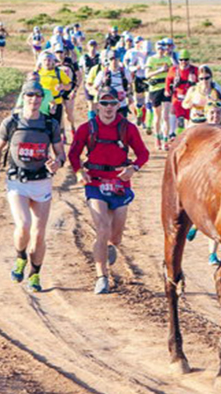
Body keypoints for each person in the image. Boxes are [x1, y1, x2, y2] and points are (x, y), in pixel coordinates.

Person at [68, 86, 149, 294]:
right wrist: (79, 172)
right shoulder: (87, 128)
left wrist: (133, 168)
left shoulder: (127, 128)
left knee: (116, 236)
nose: (109, 108)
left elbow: (143, 154)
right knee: (102, 229)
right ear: (97, 106)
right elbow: (74, 154)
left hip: (120, 185)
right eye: (104, 103)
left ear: (118, 105)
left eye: (113, 103)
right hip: (95, 183)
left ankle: (109, 246)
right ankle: (101, 277)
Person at [0, 79, 67, 293]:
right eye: (30, 96)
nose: (33, 100)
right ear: (23, 98)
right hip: (17, 182)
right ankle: (20, 257)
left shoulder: (50, 124)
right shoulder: (11, 122)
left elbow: (61, 153)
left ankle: (34, 274)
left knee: (39, 234)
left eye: (38, 97)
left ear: (42, 100)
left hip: (41, 182)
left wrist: (57, 162)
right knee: (23, 225)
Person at [185, 100, 221, 266]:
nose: (215, 116)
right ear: (206, 115)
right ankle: (195, 223)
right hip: (203, 176)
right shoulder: (200, 132)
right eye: (212, 113)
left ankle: (213, 254)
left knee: (219, 218)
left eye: (218, 113)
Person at [37, 51, 72, 140]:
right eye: (45, 60)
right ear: (41, 61)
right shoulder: (38, 73)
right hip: (42, 104)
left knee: (55, 127)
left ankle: (56, 147)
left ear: (53, 61)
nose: (47, 62)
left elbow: (69, 86)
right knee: (41, 128)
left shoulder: (58, 72)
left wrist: (62, 86)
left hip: (56, 103)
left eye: (49, 60)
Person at [145, 41, 172, 150]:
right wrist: (160, 70)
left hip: (165, 88)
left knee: (166, 115)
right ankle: (157, 138)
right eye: (159, 48)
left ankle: (166, 139)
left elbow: (172, 71)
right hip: (155, 88)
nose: (161, 50)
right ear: (156, 49)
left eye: (162, 48)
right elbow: (147, 75)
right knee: (157, 115)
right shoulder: (151, 59)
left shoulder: (167, 59)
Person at [164, 50, 198, 137]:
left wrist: (194, 82)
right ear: (178, 60)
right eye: (181, 60)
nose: (183, 62)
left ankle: (187, 134)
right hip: (177, 95)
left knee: (188, 116)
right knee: (175, 113)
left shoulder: (194, 70)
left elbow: (200, 83)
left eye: (186, 60)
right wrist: (167, 90)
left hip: (190, 96)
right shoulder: (174, 70)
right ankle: (172, 133)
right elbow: (168, 79)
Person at [54, 43, 82, 142]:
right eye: (57, 52)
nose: (59, 54)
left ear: (65, 52)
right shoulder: (53, 63)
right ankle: (63, 134)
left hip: (69, 91)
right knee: (60, 113)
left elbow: (79, 77)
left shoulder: (70, 62)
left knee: (69, 113)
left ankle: (73, 128)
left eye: (61, 52)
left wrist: (75, 90)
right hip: (57, 91)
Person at [93, 50, 133, 118]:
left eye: (116, 59)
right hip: (108, 106)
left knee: (122, 125)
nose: (114, 61)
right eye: (112, 59)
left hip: (121, 104)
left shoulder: (125, 72)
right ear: (108, 60)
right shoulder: (103, 73)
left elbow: (130, 84)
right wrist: (102, 95)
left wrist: (128, 94)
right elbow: (95, 87)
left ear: (119, 59)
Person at [124, 36, 148, 128]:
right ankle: (138, 115)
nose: (139, 44)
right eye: (137, 42)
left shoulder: (147, 52)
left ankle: (144, 120)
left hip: (147, 77)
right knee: (137, 100)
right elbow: (127, 66)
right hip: (136, 77)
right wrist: (135, 68)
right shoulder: (131, 52)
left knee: (147, 101)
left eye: (140, 42)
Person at [79, 39, 101, 120]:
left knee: (98, 104)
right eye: (91, 46)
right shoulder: (83, 58)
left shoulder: (100, 57)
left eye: (94, 46)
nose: (93, 48)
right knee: (91, 104)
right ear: (87, 47)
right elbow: (81, 71)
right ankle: (92, 123)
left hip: (98, 83)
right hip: (88, 82)